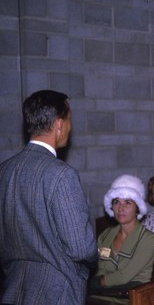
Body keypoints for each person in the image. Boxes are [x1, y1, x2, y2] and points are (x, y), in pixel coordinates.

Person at [0, 90, 97, 304]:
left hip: (13, 288)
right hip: (56, 291)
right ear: (59, 124)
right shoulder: (62, 175)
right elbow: (81, 247)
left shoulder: (4, 171)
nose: (71, 128)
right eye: (70, 121)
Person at [88, 174, 154, 303]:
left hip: (129, 298)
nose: (121, 208)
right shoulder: (106, 235)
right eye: (116, 202)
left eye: (128, 203)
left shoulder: (147, 239)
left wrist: (99, 281)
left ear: (137, 208)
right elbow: (100, 266)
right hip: (101, 295)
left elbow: (126, 275)